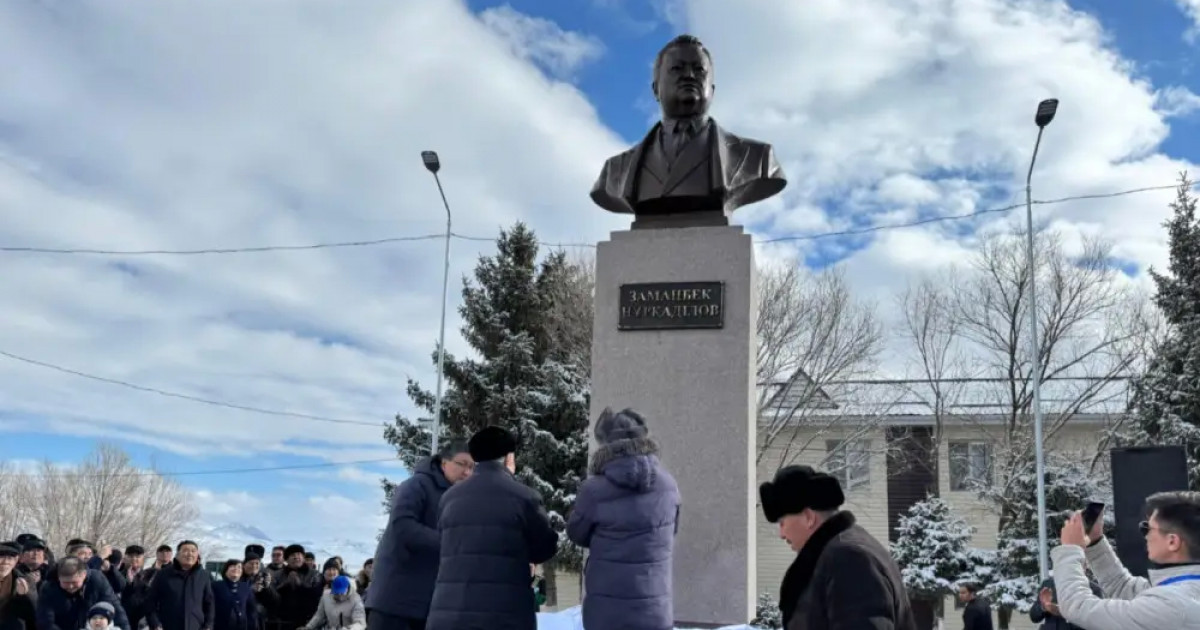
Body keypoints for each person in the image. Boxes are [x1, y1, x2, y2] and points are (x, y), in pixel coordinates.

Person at [426, 426, 559, 630]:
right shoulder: (524, 497)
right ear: (509, 457)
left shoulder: (449, 498)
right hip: (502, 617)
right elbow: (544, 549)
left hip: (448, 615)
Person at [759, 465, 916, 630]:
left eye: (782, 523)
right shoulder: (845, 551)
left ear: (808, 517)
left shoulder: (848, 559)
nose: (781, 534)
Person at [566, 407, 680, 630]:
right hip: (655, 609)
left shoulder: (594, 490)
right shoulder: (668, 486)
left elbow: (576, 533)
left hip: (606, 612)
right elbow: (671, 530)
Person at [1052, 491, 1200, 630]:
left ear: (1172, 542)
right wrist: (1095, 542)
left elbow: (1078, 607)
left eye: (1147, 528)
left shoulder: (1171, 606)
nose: (1146, 536)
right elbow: (1122, 587)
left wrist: (1070, 549)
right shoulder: (1183, 593)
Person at [366, 440, 473, 630]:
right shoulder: (417, 485)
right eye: (461, 464)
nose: (467, 472)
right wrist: (449, 542)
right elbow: (403, 526)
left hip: (431, 603)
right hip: (396, 599)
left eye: (472, 467)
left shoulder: (461, 498)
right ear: (444, 463)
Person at [36, 558, 131, 630]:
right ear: (58, 577)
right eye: (65, 583)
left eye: (74, 582)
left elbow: (115, 609)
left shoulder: (97, 580)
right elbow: (45, 621)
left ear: (83, 575)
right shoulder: (48, 587)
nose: (70, 586)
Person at [145, 540, 214, 630]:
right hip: (167, 626)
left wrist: (208, 626)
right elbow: (150, 602)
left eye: (193, 551)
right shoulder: (163, 574)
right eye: (185, 550)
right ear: (177, 555)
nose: (190, 554)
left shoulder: (204, 576)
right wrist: (155, 624)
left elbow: (209, 604)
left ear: (197, 555)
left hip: (196, 626)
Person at [1031, 571, 1102, 630]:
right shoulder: (1048, 584)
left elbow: (1096, 620)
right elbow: (1034, 617)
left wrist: (1061, 611)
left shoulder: (1092, 588)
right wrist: (1043, 607)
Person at [0, 541, 37, 630]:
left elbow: (34, 614)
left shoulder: (25, 580)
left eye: (10, 558)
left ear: (16, 561)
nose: (5, 562)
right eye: (1, 557)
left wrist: (24, 595)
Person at [212, 560, 256, 630]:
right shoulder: (215, 586)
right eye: (232, 566)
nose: (236, 568)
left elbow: (251, 610)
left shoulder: (246, 587)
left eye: (239, 567)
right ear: (226, 570)